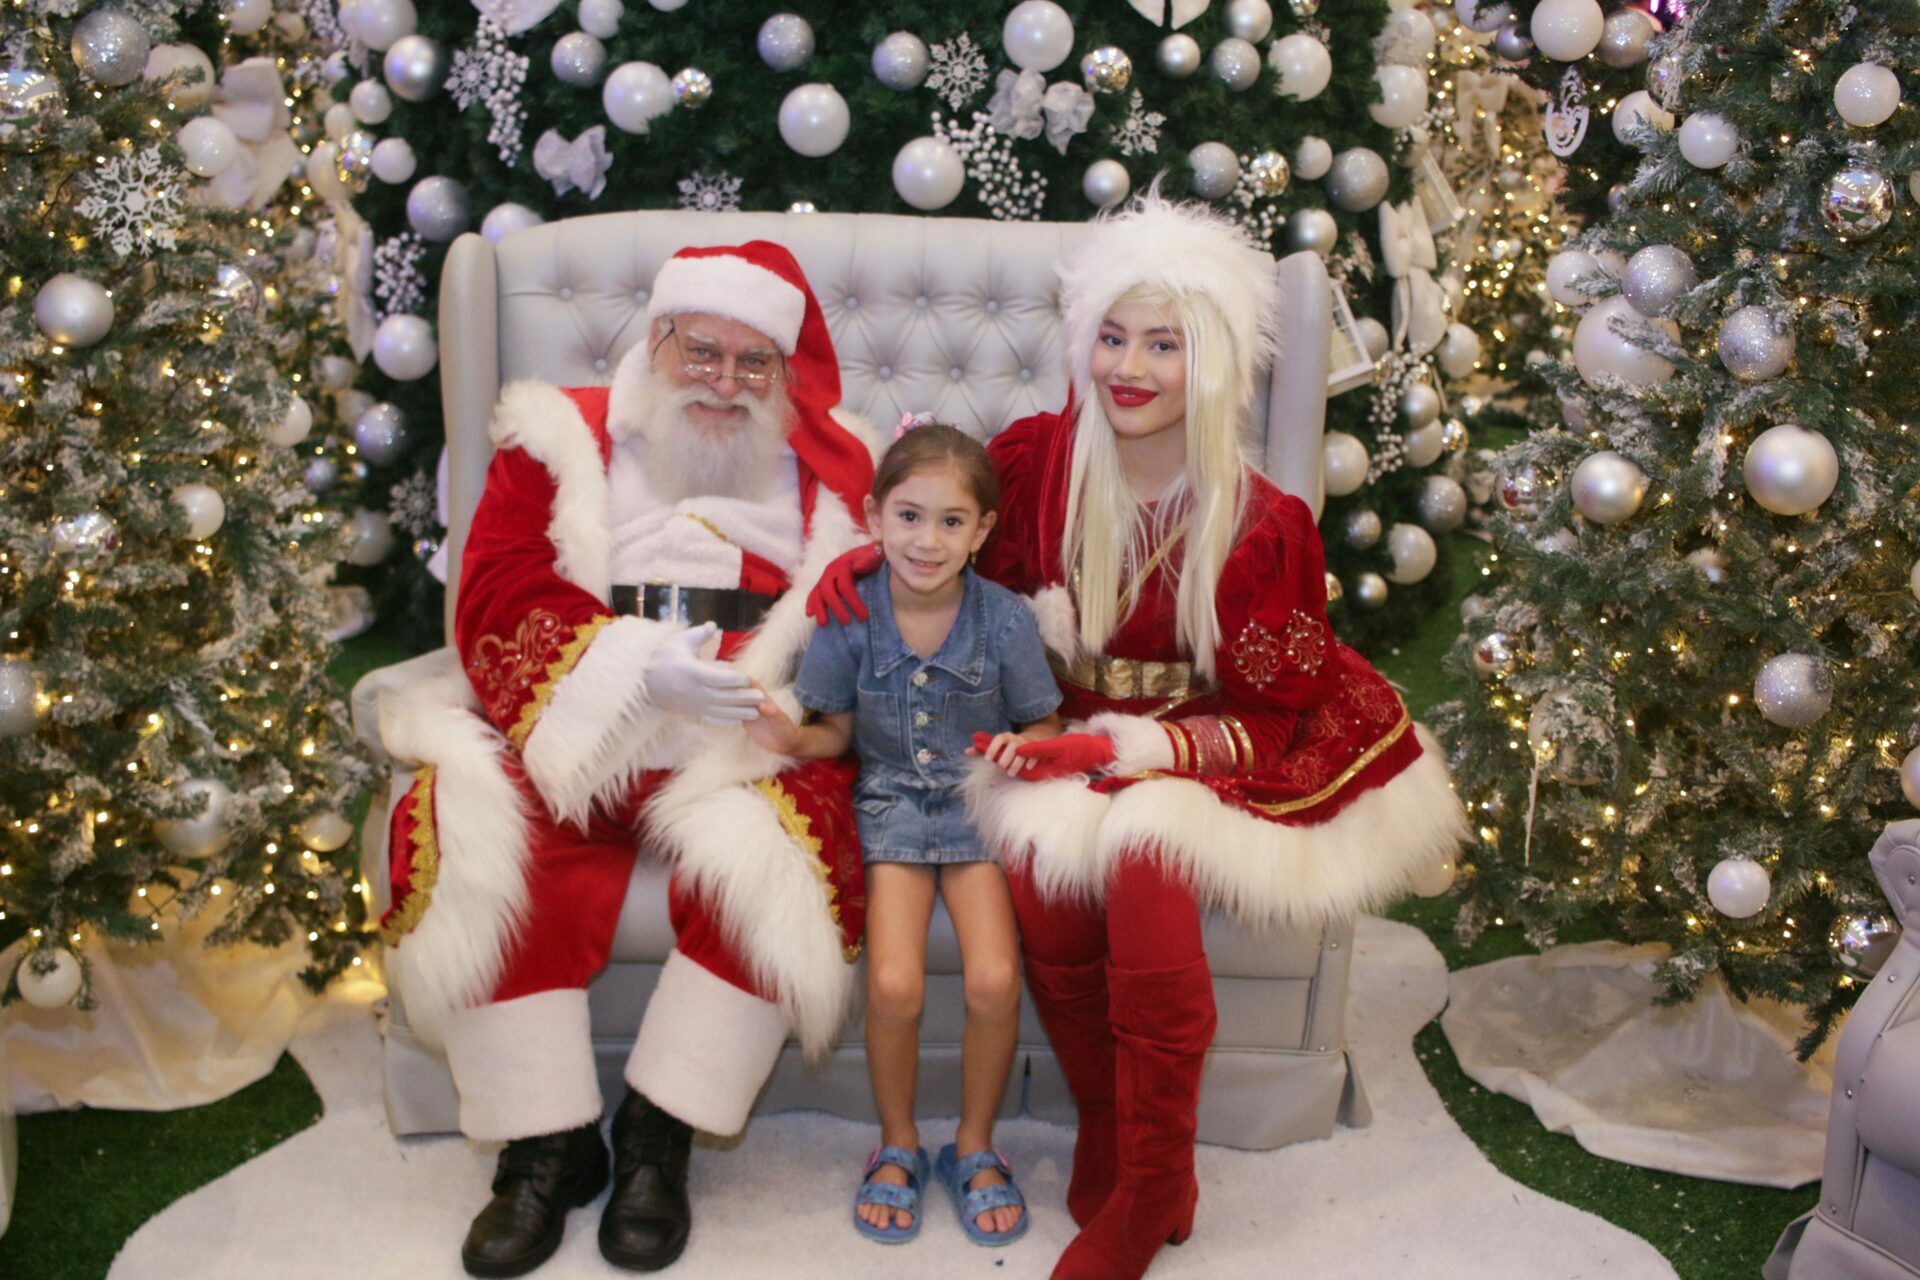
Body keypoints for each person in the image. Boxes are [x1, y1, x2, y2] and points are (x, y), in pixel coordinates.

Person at [809, 192, 1470, 1280]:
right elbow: (944, 544)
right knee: (1047, 892)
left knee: (1149, 869)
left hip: (1196, 740)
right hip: (1054, 722)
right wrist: (867, 566)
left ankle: (1157, 1174)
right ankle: (1111, 1131)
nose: (1130, 367)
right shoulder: (1035, 462)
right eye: (1112, 337)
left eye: (1164, 344)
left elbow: (1274, 715)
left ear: (1210, 362)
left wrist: (1135, 753)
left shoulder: (1262, 524)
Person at [376, 241, 880, 1278]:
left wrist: (778, 693)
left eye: (754, 362)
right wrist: (638, 669)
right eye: (703, 352)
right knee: (481, 823)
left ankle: (660, 1130)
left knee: (784, 851)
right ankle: (544, 1144)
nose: (726, 382)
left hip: (746, 721)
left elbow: (879, 610)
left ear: (784, 371)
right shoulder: (558, 435)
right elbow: (497, 587)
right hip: (584, 708)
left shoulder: (840, 471)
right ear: (657, 341)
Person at [745, 420, 1063, 1247]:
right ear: (874, 517)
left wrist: (1022, 749)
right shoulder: (848, 617)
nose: (927, 541)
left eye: (952, 522)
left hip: (976, 806)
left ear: (981, 531)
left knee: (995, 979)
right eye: (909, 516)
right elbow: (833, 732)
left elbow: (1045, 722)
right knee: (892, 985)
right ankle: (898, 1144)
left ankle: (976, 1145)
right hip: (888, 807)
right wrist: (789, 737)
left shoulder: (1005, 621)